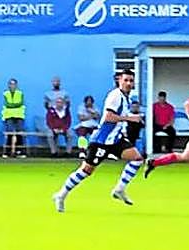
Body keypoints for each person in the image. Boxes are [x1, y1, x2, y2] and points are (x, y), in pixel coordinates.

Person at [53, 69, 145, 212]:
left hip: (115, 140)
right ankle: (61, 194)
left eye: (131, 81)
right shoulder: (115, 96)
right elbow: (108, 116)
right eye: (125, 80)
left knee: (137, 158)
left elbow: (118, 119)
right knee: (86, 170)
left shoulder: (126, 97)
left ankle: (119, 189)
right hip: (102, 141)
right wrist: (130, 118)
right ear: (119, 80)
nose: (128, 83)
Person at [145, 89, 189, 176]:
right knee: (186, 157)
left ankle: (154, 163)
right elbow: (188, 103)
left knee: (186, 157)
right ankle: (154, 163)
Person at [1, 78, 25, 158]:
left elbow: (20, 103)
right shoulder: (6, 93)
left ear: (16, 85)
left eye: (14, 84)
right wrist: (14, 105)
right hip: (9, 116)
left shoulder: (20, 93)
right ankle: (7, 152)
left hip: (19, 115)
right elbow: (7, 104)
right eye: (11, 84)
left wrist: (13, 105)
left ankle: (19, 151)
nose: (12, 86)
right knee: (10, 133)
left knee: (19, 133)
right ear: (8, 85)